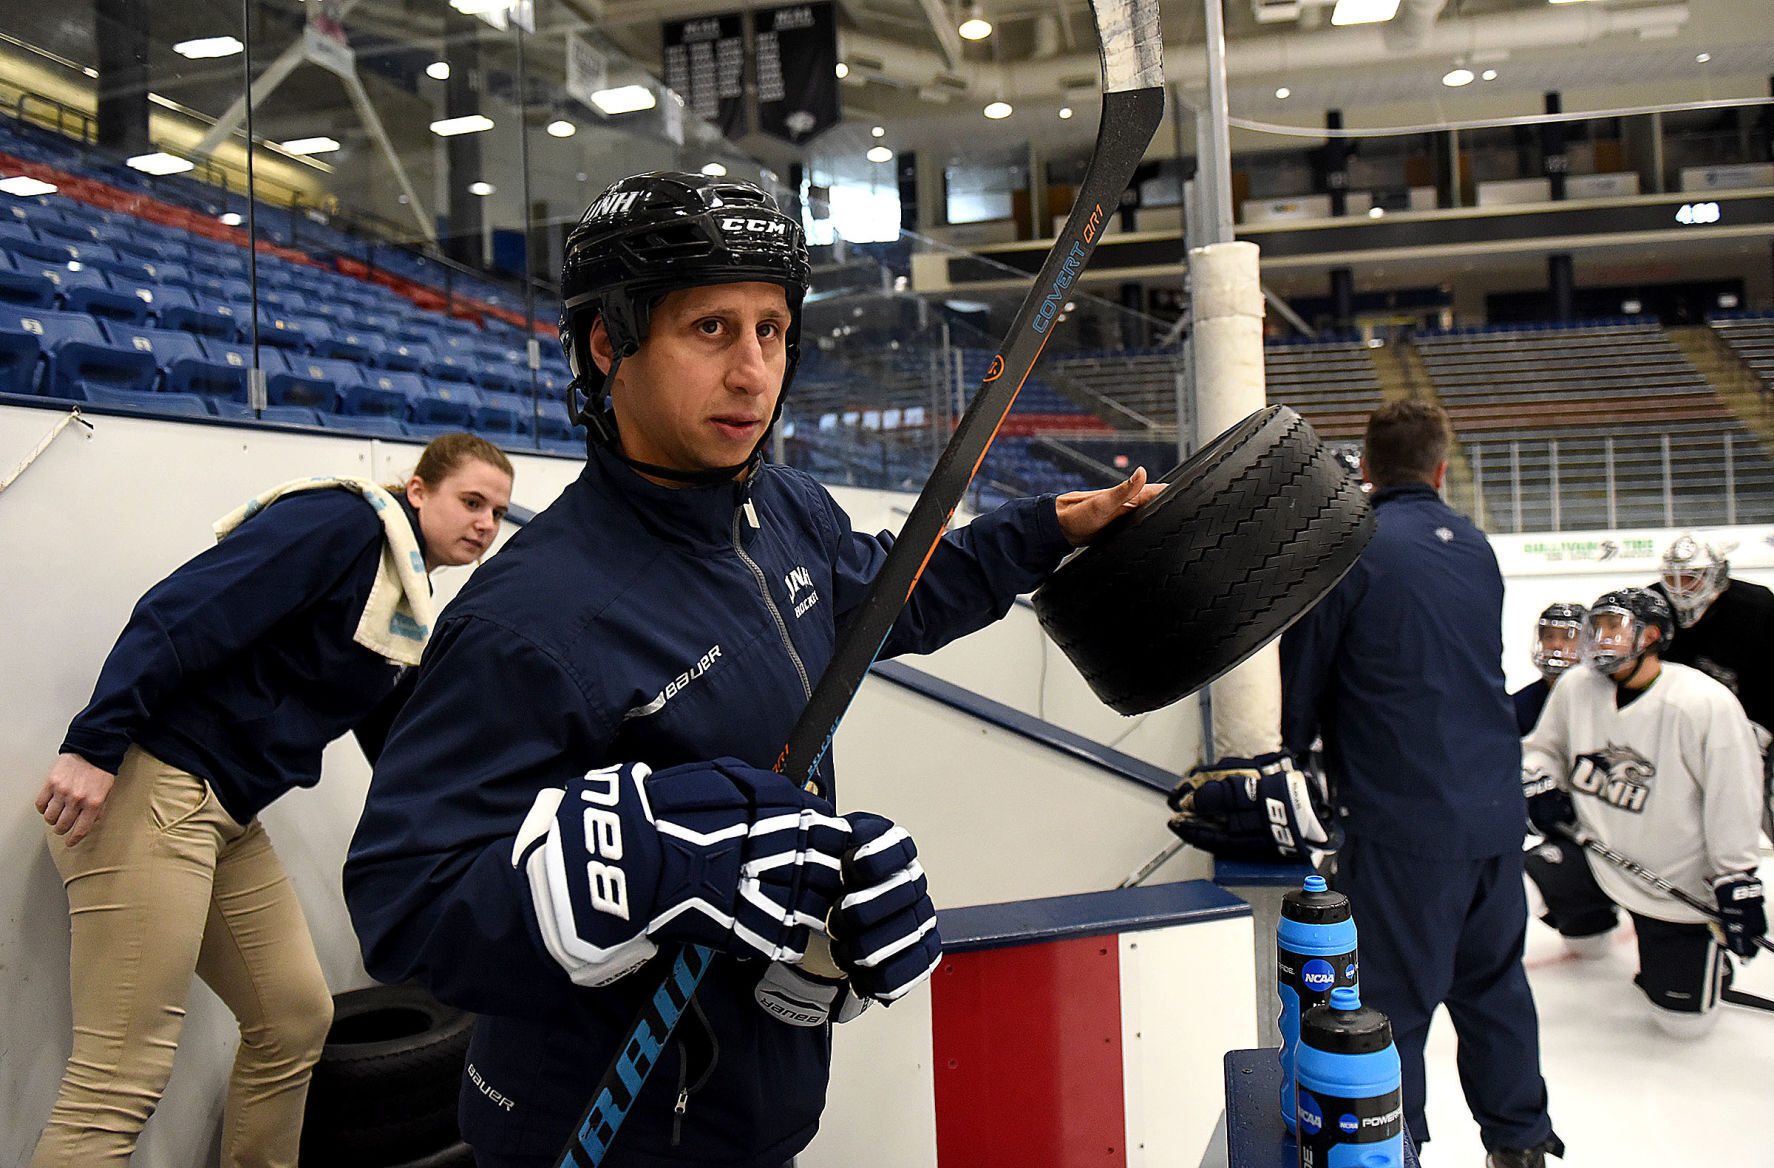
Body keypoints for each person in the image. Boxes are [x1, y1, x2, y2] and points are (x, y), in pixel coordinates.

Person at [342, 171, 1161, 1168]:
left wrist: (1040, 530)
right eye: (711, 330)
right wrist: (632, 866)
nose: (752, 372)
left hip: (751, 1103)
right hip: (599, 1131)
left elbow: (876, 604)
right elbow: (407, 902)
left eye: (770, 330)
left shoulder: (785, 511)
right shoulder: (531, 615)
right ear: (609, 344)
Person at [31, 433, 515, 1168]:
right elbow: (187, 608)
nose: (484, 524)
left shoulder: (401, 604)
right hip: (156, 788)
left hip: (224, 813)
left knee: (293, 1021)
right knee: (118, 1081)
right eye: (471, 501)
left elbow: (400, 745)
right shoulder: (345, 525)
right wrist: (95, 743)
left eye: (498, 513)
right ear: (417, 491)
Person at [1279, 399, 1562, 1168]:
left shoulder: (1351, 545)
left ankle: (1397, 1147)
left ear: (1365, 468)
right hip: (1497, 816)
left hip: (1405, 822)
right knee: (1496, 991)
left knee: (1392, 1007)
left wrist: (1290, 753)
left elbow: (1302, 682)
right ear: (1441, 468)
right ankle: (1521, 1141)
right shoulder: (1473, 546)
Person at [1521, 587, 1766, 1037]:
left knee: (1680, 1026)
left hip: (1673, 886)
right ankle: (1589, 923)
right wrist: (1539, 780)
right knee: (1516, 886)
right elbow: (1543, 749)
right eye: (1594, 629)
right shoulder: (1578, 687)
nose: (1597, 640)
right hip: (1594, 854)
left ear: (1651, 635)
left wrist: (1737, 878)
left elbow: (1734, 797)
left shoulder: (1702, 703)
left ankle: (1704, 966)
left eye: (1612, 629)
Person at [1651, 531, 1774, 841]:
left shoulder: (1758, 608)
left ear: (1717, 574)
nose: (1679, 589)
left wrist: (1761, 729)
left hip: (1755, 728)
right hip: (1682, 735)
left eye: (1691, 578)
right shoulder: (1652, 606)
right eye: (1673, 578)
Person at [1512, 602, 1588, 736]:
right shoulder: (1518, 706)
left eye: (1567, 637)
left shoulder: (1603, 701)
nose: (1556, 645)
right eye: (1549, 636)